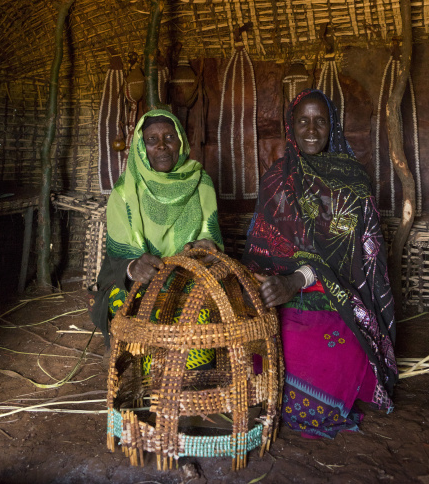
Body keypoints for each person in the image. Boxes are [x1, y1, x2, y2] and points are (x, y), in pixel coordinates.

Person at [242, 89, 397, 439]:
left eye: (320, 121)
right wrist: (268, 283)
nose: (311, 130)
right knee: (253, 349)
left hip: (337, 300)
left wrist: (297, 280)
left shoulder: (352, 181)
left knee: (312, 359)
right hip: (281, 298)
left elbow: (355, 260)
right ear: (290, 128)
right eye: (302, 121)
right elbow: (261, 247)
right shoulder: (276, 179)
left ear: (333, 127)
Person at [90, 110, 223, 369]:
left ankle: (182, 372)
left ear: (181, 142)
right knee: (123, 300)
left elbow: (210, 234)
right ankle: (141, 365)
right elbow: (119, 254)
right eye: (152, 139)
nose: (161, 145)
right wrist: (132, 267)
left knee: (200, 313)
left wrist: (206, 247)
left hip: (189, 278)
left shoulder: (201, 181)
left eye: (169, 136)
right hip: (139, 283)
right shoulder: (124, 191)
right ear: (142, 147)